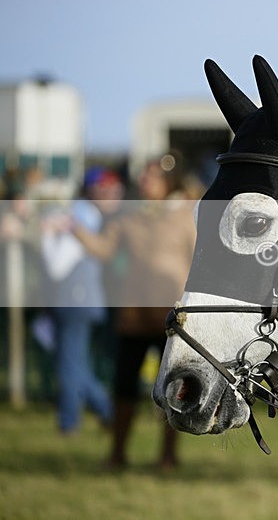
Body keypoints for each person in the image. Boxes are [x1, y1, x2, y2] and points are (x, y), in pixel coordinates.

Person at [72, 160, 196, 469]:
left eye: (151, 177)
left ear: (170, 182)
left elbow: (198, 262)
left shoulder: (186, 218)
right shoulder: (130, 217)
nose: (143, 181)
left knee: (172, 391)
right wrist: (74, 229)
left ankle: (168, 456)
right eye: (143, 177)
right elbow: (103, 249)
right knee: (124, 389)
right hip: (134, 319)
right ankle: (117, 453)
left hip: (171, 322)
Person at [39, 168, 120, 435]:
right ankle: (107, 411)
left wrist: (47, 234)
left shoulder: (80, 214)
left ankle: (71, 422)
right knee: (75, 362)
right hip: (81, 300)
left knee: (69, 363)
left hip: (73, 300)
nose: (108, 192)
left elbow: (57, 266)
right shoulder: (87, 213)